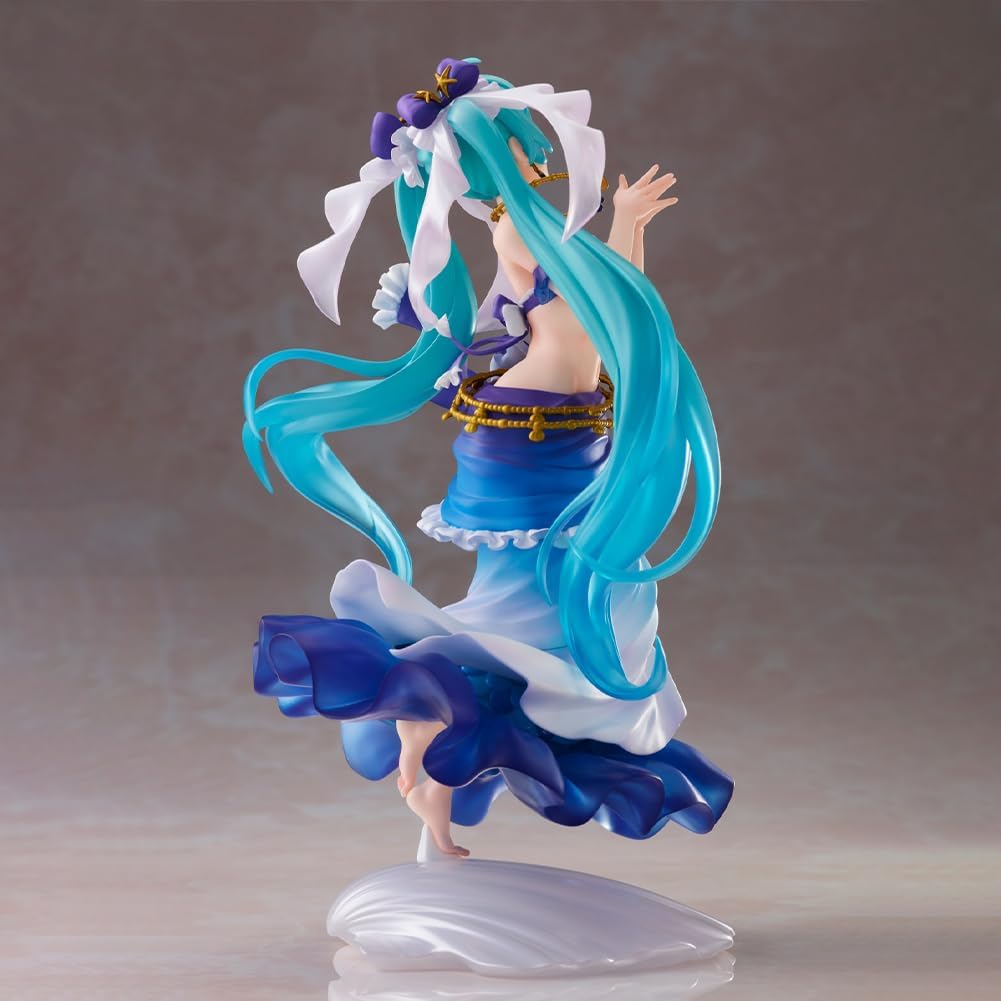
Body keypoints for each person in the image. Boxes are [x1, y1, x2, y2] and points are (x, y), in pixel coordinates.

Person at [246, 58, 732, 857]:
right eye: (501, 203)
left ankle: (427, 743)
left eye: (520, 198)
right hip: (525, 459)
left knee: (534, 630)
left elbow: (603, 302)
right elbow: (577, 311)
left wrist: (626, 227)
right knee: (539, 633)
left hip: (537, 459)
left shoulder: (552, 295)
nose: (512, 220)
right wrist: (613, 229)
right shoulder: (526, 292)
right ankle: (429, 737)